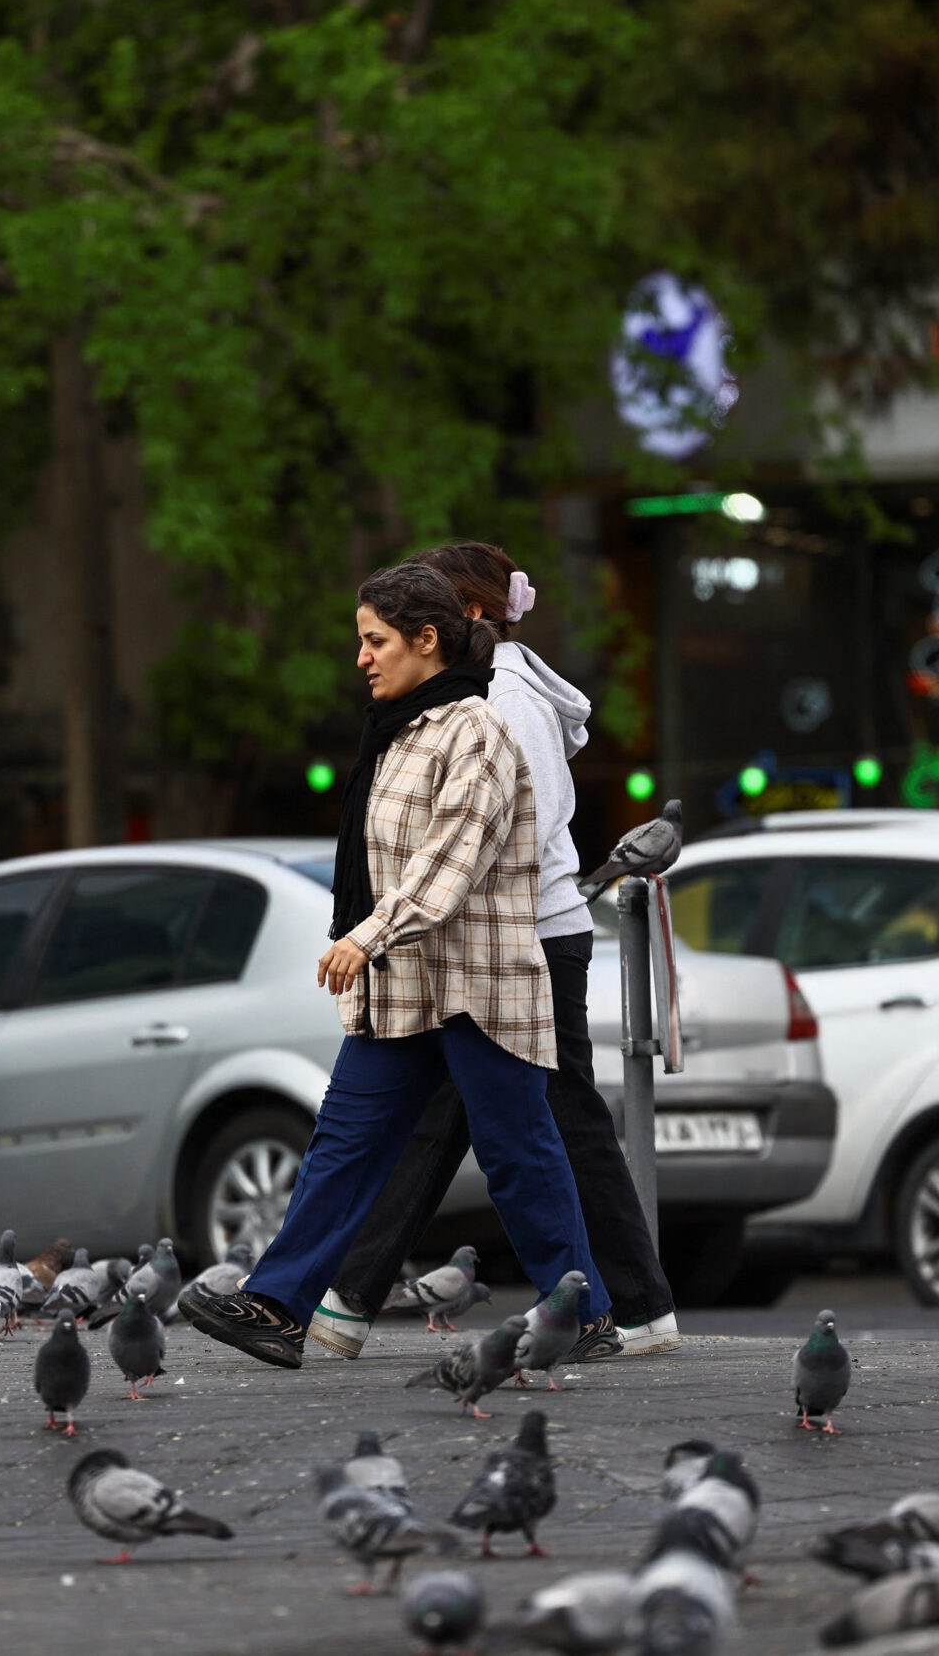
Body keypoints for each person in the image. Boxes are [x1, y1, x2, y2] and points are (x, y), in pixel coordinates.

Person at [180, 560, 610, 1369]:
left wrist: (367, 935)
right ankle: (276, 1305)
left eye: (375, 641)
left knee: (518, 1152)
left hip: (476, 986)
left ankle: (582, 1312)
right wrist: (378, 945)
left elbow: (451, 860)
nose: (362, 657)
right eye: (361, 641)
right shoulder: (403, 727)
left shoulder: (477, 730)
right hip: (406, 989)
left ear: (427, 639)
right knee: (343, 1145)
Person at [306, 541, 678, 1363]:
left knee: (533, 1117)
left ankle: (349, 1298)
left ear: (464, 615)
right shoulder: (497, 691)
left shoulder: (502, 698)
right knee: (483, 1114)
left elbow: (510, 830)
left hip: (524, 936)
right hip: (502, 931)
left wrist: (395, 916)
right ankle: (350, 1299)